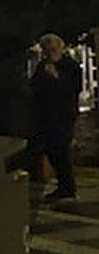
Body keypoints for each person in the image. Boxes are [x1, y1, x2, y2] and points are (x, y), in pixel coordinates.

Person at [30, 33, 82, 200]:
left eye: (52, 49)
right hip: (46, 115)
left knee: (61, 149)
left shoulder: (70, 66)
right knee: (51, 150)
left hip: (63, 114)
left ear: (60, 48)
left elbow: (73, 89)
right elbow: (35, 87)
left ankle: (68, 188)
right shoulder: (42, 66)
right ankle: (63, 186)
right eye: (46, 50)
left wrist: (56, 77)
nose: (49, 53)